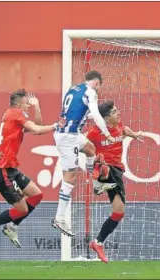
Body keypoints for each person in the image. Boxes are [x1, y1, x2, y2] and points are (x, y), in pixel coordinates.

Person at [0, 90, 59, 248]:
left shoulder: (15, 117)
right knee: (21, 209)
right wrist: (55, 126)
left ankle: (12, 226)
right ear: (19, 104)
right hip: (2, 169)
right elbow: (37, 129)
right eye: (26, 104)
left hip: (11, 168)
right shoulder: (14, 113)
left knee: (36, 195)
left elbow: (37, 127)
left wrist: (37, 108)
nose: (28, 106)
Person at [52, 70, 115, 236]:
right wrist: (106, 133)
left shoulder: (74, 88)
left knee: (90, 149)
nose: (98, 90)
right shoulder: (90, 92)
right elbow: (94, 114)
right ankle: (59, 218)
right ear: (96, 83)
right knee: (70, 178)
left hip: (71, 133)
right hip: (68, 137)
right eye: (99, 86)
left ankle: (96, 185)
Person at [86, 100, 143, 263]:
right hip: (106, 166)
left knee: (119, 212)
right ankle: (99, 178)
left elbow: (125, 129)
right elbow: (82, 142)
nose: (118, 113)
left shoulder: (118, 126)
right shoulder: (94, 132)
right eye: (114, 112)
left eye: (117, 110)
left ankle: (97, 243)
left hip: (117, 171)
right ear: (105, 118)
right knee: (103, 164)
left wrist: (134, 134)